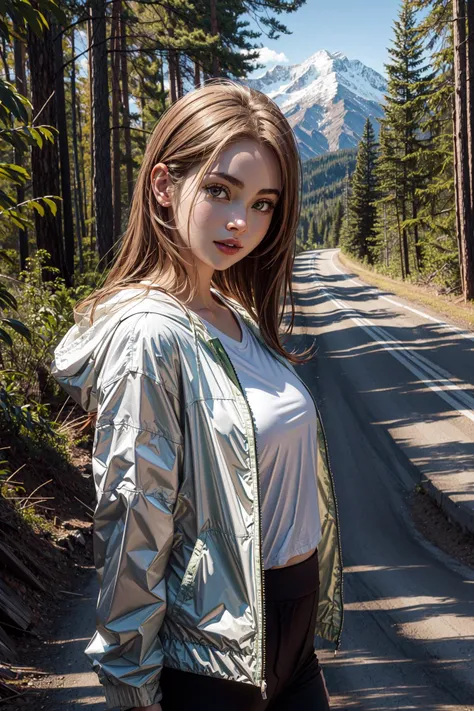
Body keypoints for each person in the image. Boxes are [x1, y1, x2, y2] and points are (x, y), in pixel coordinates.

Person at [51, 79, 343, 711]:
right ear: (163, 185)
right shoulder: (152, 335)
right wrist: (132, 685)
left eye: (264, 203)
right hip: (212, 654)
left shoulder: (234, 314)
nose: (243, 221)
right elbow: (134, 517)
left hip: (286, 633)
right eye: (220, 191)